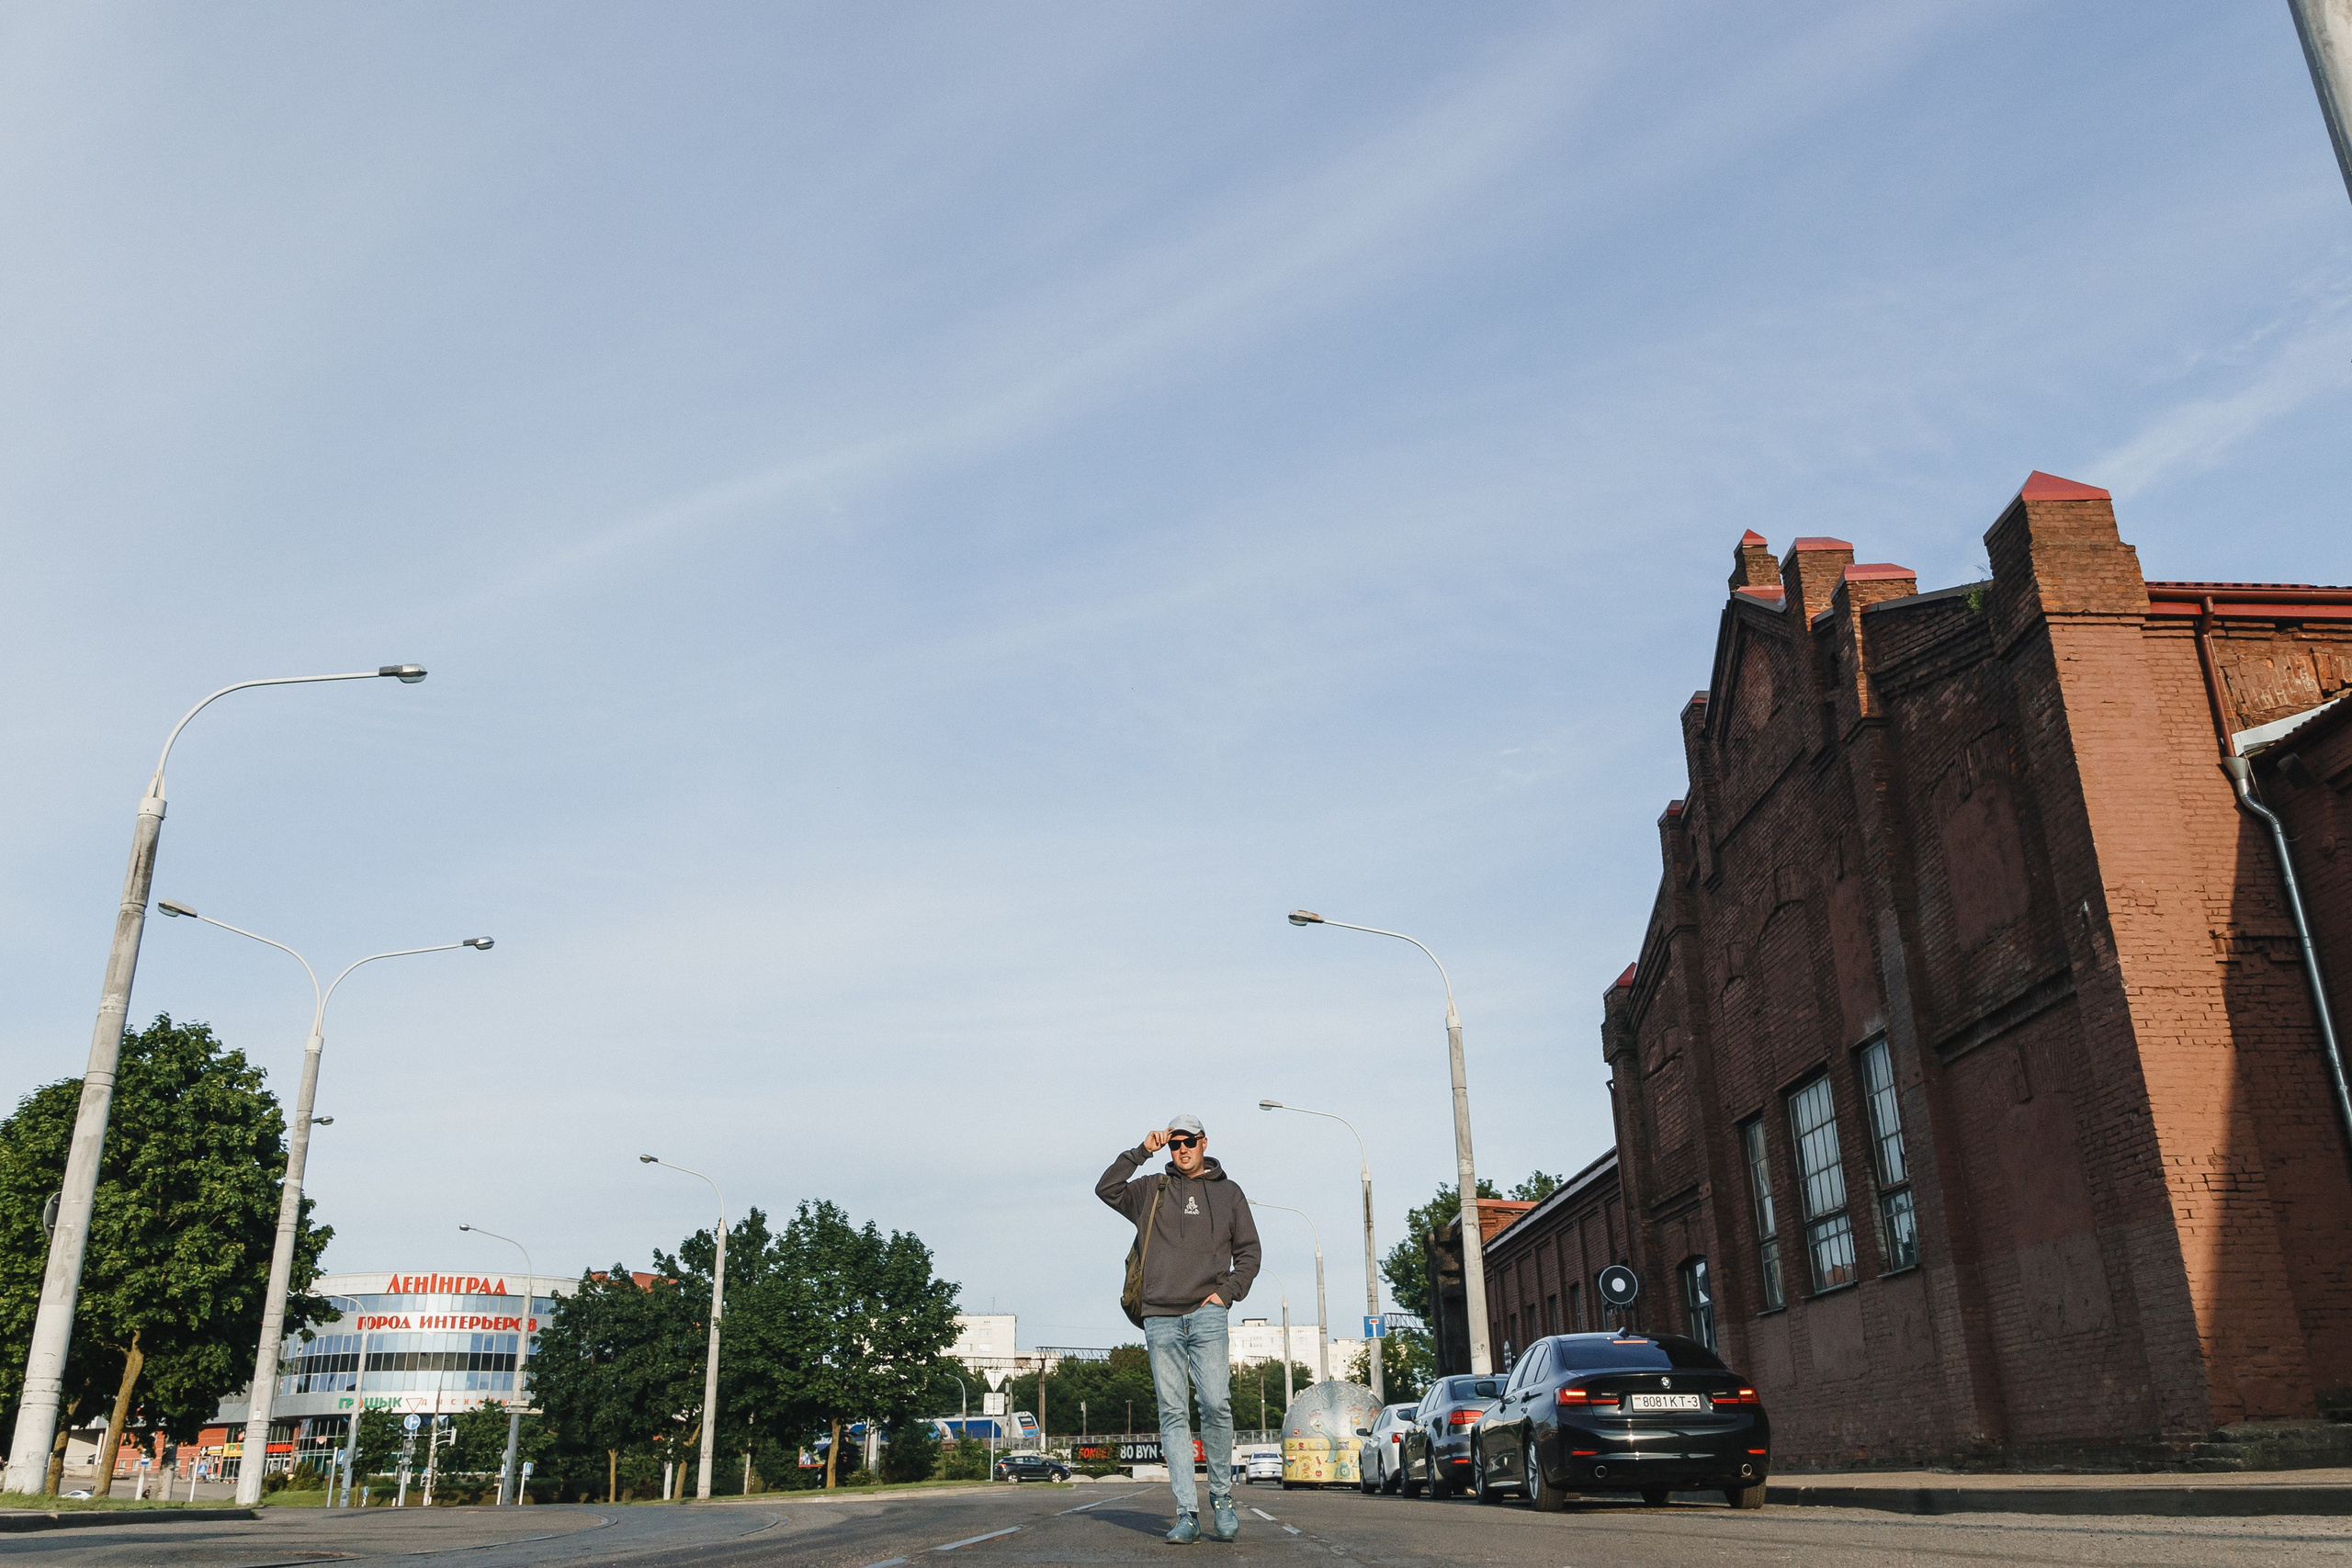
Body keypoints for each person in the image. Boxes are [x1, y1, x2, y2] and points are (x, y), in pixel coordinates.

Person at [1098, 1114, 1261, 1545]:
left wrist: (1227, 1294)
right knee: (1173, 1413)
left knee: (1216, 1403)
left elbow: (1249, 1252)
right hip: (1160, 1315)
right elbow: (1106, 1189)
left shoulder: (1229, 1193)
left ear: (1204, 1142)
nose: (1182, 1149)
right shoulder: (1153, 1188)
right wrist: (1141, 1151)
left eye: (1188, 1141)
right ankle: (1186, 1512)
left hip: (1208, 1312)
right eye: (1175, 1143)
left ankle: (1222, 1499)